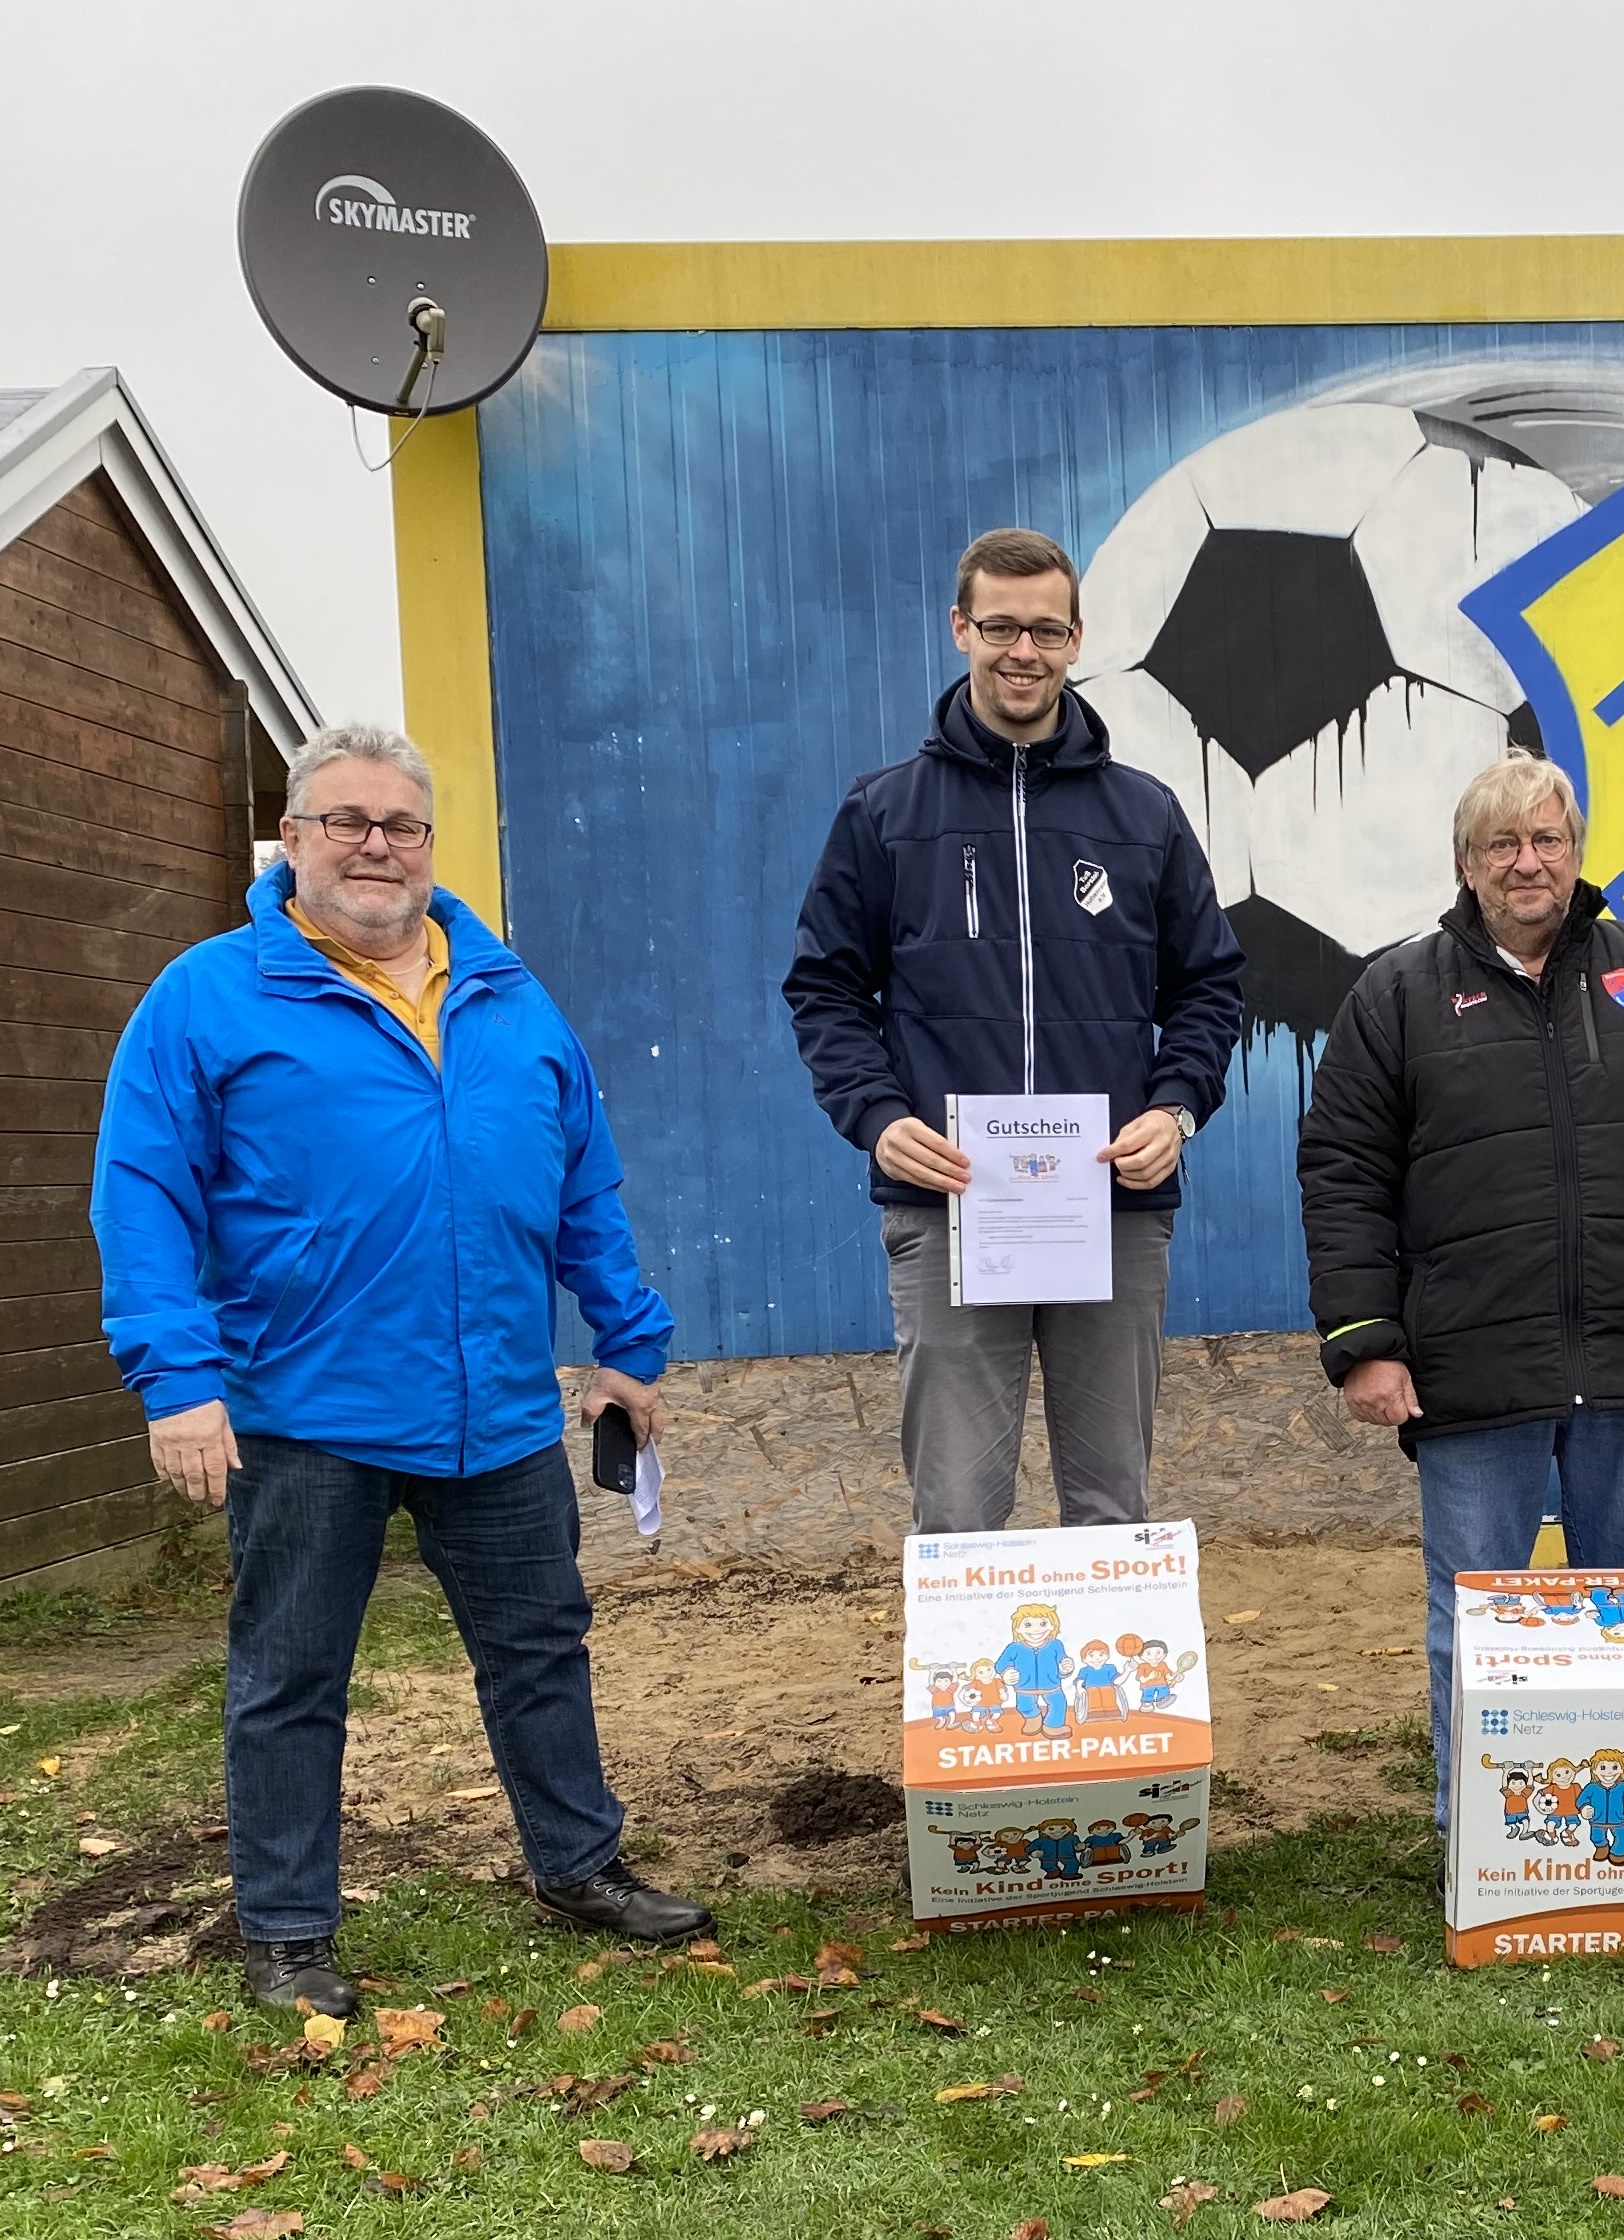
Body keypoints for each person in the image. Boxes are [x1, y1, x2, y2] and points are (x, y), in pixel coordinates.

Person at [92, 725, 711, 2019]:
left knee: (542, 1650)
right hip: (305, 1407)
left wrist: (626, 1343)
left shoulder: (509, 994)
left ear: (431, 844)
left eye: (402, 825)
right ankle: (285, 1930)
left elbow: (581, 1181)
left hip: (495, 1403)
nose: (377, 844)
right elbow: (141, 1196)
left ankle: (578, 1864)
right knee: (291, 1675)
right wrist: (177, 1378)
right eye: (346, 820)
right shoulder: (207, 997)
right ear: (294, 840)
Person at [1299, 755, 1624, 1818]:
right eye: (1502, 844)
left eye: (1547, 840)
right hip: (1471, 1366)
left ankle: (1610, 1829)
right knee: (1472, 1615)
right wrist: (1364, 1338)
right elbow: (1342, 1170)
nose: (1528, 862)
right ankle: (1475, 1832)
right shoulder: (1394, 994)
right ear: (1465, 863)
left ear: (1575, 853)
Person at [786, 528, 1246, 1533]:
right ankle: (974, 1694)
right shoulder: (884, 813)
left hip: (1112, 1206)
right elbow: (823, 987)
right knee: (956, 1510)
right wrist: (875, 1116)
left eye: (1045, 629)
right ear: (961, 629)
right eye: (999, 626)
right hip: (949, 1200)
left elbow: (1211, 983)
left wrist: (1177, 1109)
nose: (1021, 651)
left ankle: (1111, 1701)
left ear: (1077, 637)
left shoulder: (1144, 816)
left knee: (1111, 1503)